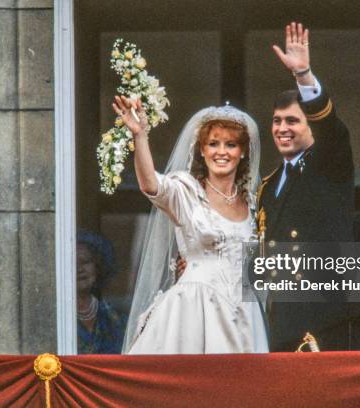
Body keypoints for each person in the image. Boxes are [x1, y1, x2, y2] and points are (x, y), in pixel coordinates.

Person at [113, 95, 268, 354]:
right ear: (202, 150)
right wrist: (140, 136)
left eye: (230, 145)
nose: (221, 152)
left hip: (244, 311)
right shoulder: (186, 191)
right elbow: (150, 185)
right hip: (194, 307)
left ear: (242, 152)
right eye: (213, 144)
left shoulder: (254, 202)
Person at [258, 22, 360, 351]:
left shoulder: (328, 162)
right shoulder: (269, 184)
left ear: (310, 126)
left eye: (292, 121)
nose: (282, 129)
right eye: (277, 121)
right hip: (282, 319)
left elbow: (332, 130)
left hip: (327, 316)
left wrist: (304, 76)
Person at [76, 231, 126, 354]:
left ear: (98, 266)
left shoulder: (114, 318)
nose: (79, 269)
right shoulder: (59, 317)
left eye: (85, 261)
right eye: (73, 263)